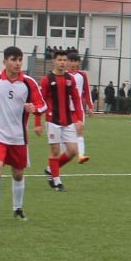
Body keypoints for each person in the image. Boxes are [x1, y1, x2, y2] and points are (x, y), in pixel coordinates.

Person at [0, 46, 46, 225]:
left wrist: (35, 109)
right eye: (13, 59)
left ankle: (17, 208)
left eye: (20, 60)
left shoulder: (29, 82)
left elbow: (43, 105)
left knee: (18, 174)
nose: (17, 63)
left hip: (19, 137)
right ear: (5, 62)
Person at [40, 49, 84, 192]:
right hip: (52, 119)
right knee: (55, 150)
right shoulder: (47, 79)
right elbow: (41, 100)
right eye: (60, 60)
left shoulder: (70, 79)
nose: (62, 63)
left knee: (73, 150)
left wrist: (79, 119)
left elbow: (76, 99)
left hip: (68, 120)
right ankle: (57, 182)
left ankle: (50, 169)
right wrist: (37, 122)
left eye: (65, 60)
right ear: (54, 61)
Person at [66, 50, 94, 163]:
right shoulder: (64, 75)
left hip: (78, 109)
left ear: (78, 62)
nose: (73, 63)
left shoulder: (82, 75)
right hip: (65, 109)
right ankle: (65, 155)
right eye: (71, 61)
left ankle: (81, 156)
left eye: (75, 61)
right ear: (67, 62)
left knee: (79, 131)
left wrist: (90, 106)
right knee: (65, 133)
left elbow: (86, 90)